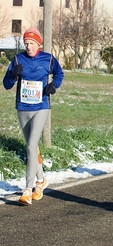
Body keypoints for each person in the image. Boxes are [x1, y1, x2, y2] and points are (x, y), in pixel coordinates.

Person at [2, 27, 64, 204]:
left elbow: (60, 74)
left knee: (30, 145)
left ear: (38, 43)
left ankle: (28, 189)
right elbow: (6, 84)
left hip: (41, 107)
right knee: (32, 148)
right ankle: (42, 179)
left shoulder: (48, 59)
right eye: (26, 43)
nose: (28, 46)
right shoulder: (17, 59)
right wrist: (14, 75)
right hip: (22, 107)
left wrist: (54, 85)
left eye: (32, 43)